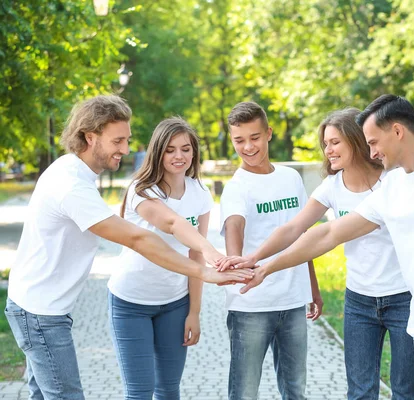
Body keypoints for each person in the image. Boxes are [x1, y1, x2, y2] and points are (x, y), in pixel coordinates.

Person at [236, 95, 414, 400]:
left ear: (397, 131)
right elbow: (327, 234)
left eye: (373, 142)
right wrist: (265, 267)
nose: (371, 151)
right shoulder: (393, 188)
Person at [3, 95, 252, 400]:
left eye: (127, 139)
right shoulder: (72, 185)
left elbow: (177, 225)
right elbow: (140, 238)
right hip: (40, 313)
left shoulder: (74, 173)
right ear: (90, 137)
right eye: (117, 140)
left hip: (45, 309)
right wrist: (206, 271)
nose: (125, 148)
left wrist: (210, 260)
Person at [218, 108, 414, 399]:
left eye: (335, 142)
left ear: (356, 139)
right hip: (359, 300)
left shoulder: (393, 180)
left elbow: (326, 234)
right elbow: (294, 229)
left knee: (405, 390)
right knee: (361, 391)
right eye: (326, 143)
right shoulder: (332, 186)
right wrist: (254, 259)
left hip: (404, 296)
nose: (328, 150)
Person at [108, 117, 223, 399]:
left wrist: (194, 312)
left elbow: (195, 254)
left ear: (194, 152)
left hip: (175, 303)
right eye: (170, 149)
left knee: (169, 389)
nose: (178, 156)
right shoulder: (142, 190)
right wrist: (214, 254)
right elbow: (172, 223)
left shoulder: (200, 193)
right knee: (140, 392)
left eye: (185, 148)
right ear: (157, 151)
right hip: (131, 303)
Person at [220, 101, 323, 400]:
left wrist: (312, 288)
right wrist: (236, 267)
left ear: (269, 133)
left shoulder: (290, 178)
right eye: (239, 140)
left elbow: (302, 235)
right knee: (244, 393)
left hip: (291, 302)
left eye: (254, 137)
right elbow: (234, 226)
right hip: (251, 305)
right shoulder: (237, 187)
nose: (248, 147)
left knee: (294, 391)